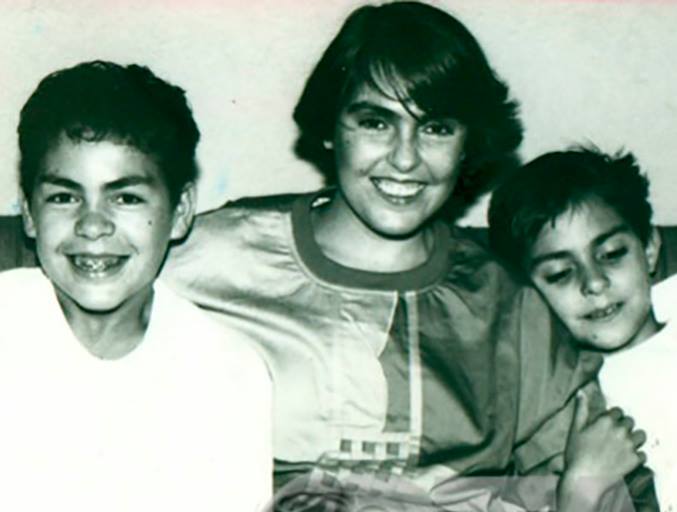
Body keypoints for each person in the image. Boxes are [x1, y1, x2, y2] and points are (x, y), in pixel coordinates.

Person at [161, 2, 629, 509]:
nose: (405, 158)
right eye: (375, 122)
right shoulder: (207, 258)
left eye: (436, 128)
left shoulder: (509, 306)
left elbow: (596, 479)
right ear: (330, 127)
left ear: (468, 143)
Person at [0, 60, 272, 512]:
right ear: (29, 213)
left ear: (180, 212)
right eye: (64, 197)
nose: (92, 225)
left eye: (126, 198)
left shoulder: (225, 370)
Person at [488, 146, 675, 510]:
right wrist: (581, 483)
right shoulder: (552, 408)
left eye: (612, 254)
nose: (594, 283)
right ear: (526, 296)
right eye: (560, 273)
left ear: (650, 249)